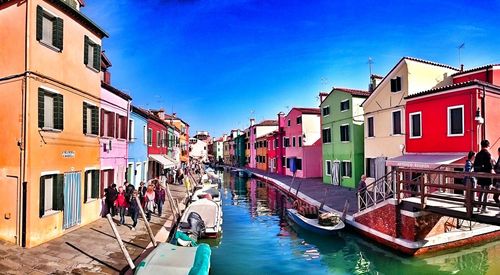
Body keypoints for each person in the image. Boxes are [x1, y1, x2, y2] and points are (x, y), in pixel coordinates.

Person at [473, 140, 493, 213]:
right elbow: (490, 166)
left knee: (481, 191)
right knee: (486, 191)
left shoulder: (478, 154)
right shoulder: (488, 154)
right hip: (487, 175)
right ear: (487, 146)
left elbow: (475, 164)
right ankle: (484, 207)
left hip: (480, 174)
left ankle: (479, 207)